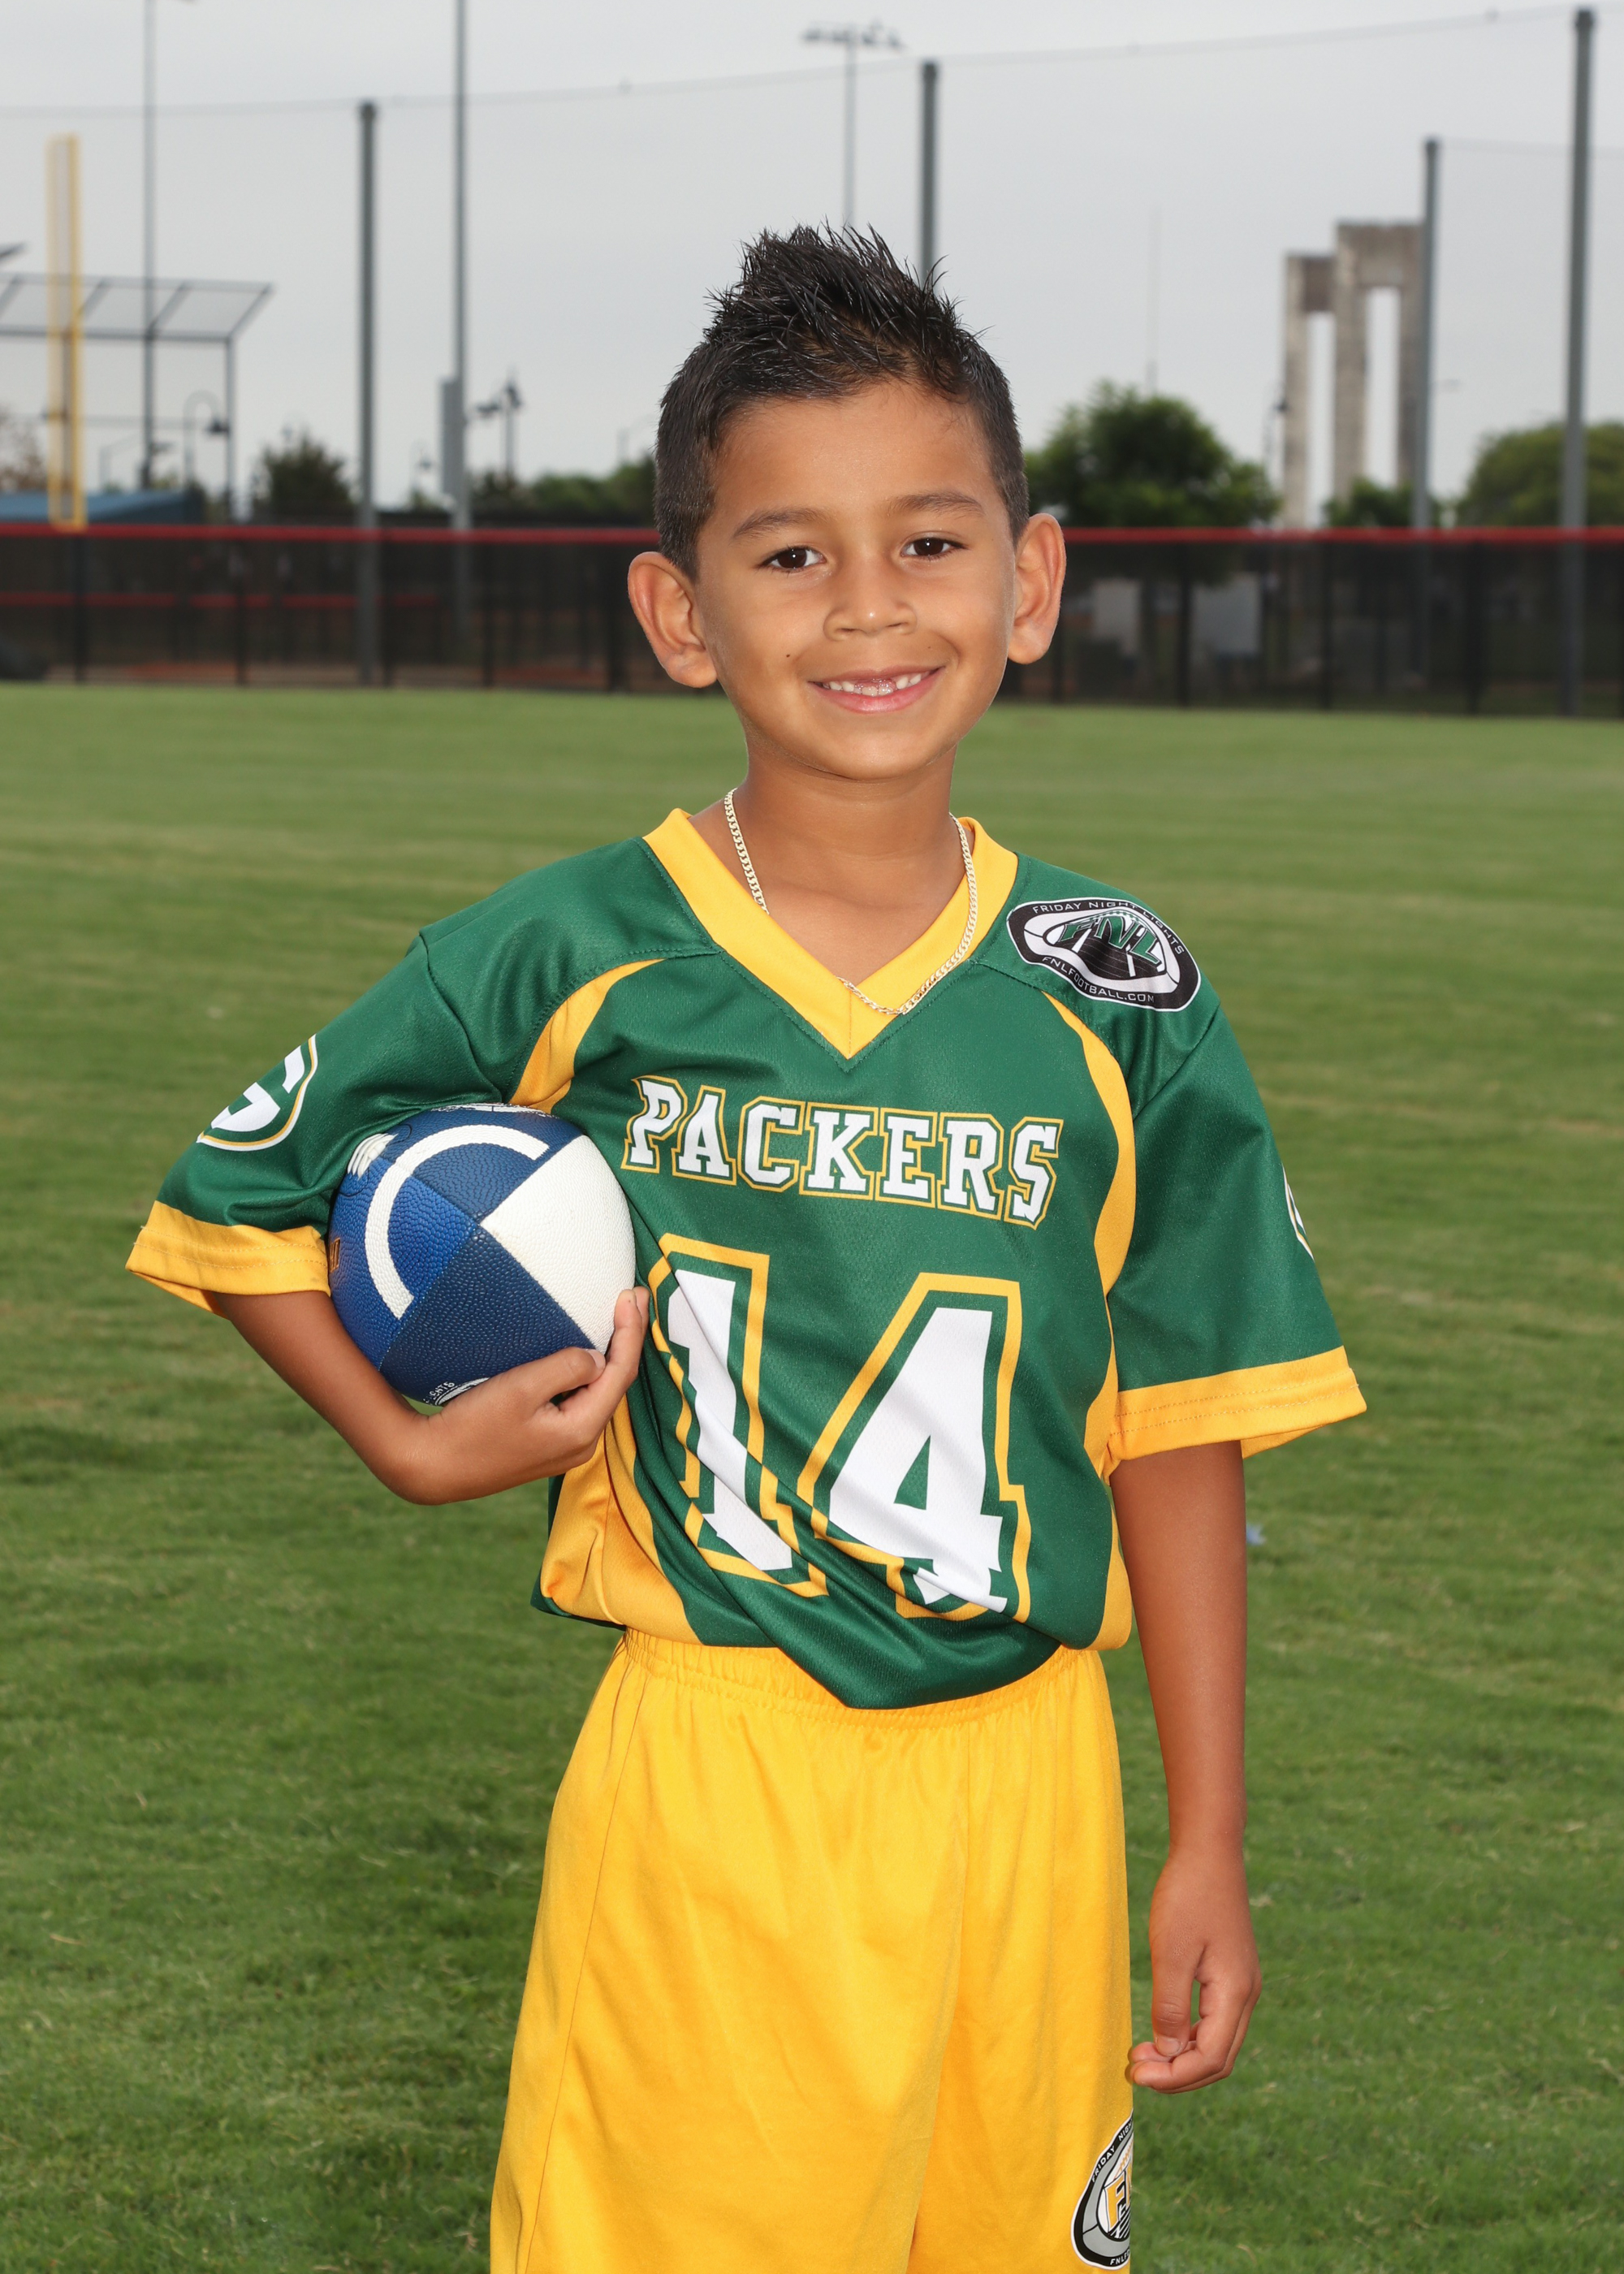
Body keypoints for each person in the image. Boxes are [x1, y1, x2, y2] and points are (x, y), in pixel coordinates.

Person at [128, 227, 1364, 2274]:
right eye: (792, 554)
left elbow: (1177, 1418)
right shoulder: (576, 949)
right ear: (680, 612)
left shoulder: (1118, 988)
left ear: (1029, 580)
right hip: (717, 1772)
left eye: (929, 542)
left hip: (1033, 1790)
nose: (868, 604)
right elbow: (238, 1188)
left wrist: (1206, 1833)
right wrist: (407, 1440)